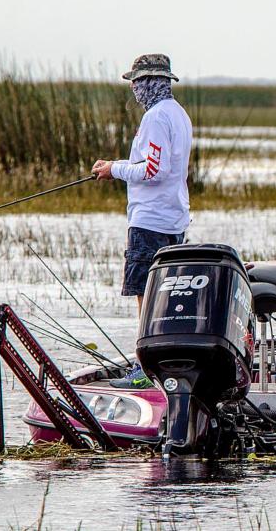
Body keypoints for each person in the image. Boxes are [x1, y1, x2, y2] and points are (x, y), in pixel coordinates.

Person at [92, 53, 193, 388]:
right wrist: (119, 164)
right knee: (166, 297)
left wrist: (113, 170)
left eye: (136, 81)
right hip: (174, 219)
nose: (134, 88)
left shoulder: (155, 117)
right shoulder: (179, 115)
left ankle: (145, 371)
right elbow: (160, 165)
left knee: (145, 297)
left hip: (150, 221)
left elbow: (152, 170)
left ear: (148, 83)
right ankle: (163, 364)